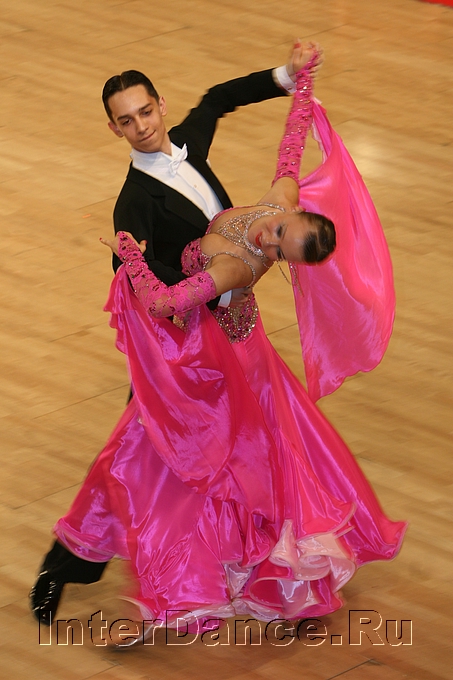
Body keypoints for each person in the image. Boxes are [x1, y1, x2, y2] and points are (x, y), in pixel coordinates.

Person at [39, 46, 406, 644]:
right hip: (184, 353)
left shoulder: (204, 161)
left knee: (218, 458)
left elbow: (220, 103)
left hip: (229, 345)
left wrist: (288, 78)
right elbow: (145, 282)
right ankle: (68, 563)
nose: (142, 126)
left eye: (146, 112)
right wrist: (294, 82)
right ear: (114, 128)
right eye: (127, 120)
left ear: (160, 105)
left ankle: (245, 573)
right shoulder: (136, 200)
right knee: (143, 456)